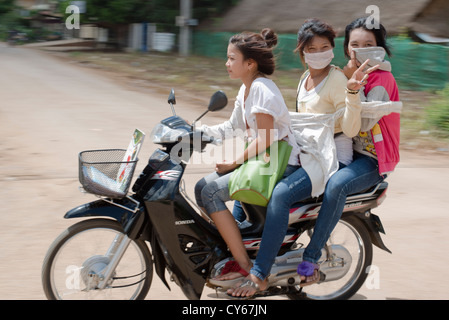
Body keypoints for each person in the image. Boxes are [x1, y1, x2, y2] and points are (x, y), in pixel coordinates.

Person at [228, 18, 377, 298]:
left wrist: (353, 92)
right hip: (307, 152)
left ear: (332, 49)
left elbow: (350, 128)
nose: (319, 52)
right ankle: (238, 251)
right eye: (312, 48)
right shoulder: (304, 80)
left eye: (324, 47)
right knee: (250, 178)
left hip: (331, 157)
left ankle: (259, 274)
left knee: (281, 195)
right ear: (302, 53)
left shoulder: (337, 80)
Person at [296, 16, 401, 286]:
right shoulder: (340, 75)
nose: (361, 49)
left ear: (380, 48)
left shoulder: (381, 79)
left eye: (369, 44)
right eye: (355, 44)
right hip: (344, 151)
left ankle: (310, 260)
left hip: (371, 159)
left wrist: (351, 86)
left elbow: (363, 122)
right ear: (346, 49)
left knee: (335, 187)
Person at [195, 28, 302, 283]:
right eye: (228, 57)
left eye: (232, 58)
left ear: (250, 63)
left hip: (281, 163)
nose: (227, 63)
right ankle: (229, 247)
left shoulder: (262, 90)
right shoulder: (246, 90)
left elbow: (267, 138)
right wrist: (196, 132)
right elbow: (231, 127)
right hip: (262, 160)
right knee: (201, 186)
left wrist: (233, 163)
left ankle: (243, 265)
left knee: (210, 192)